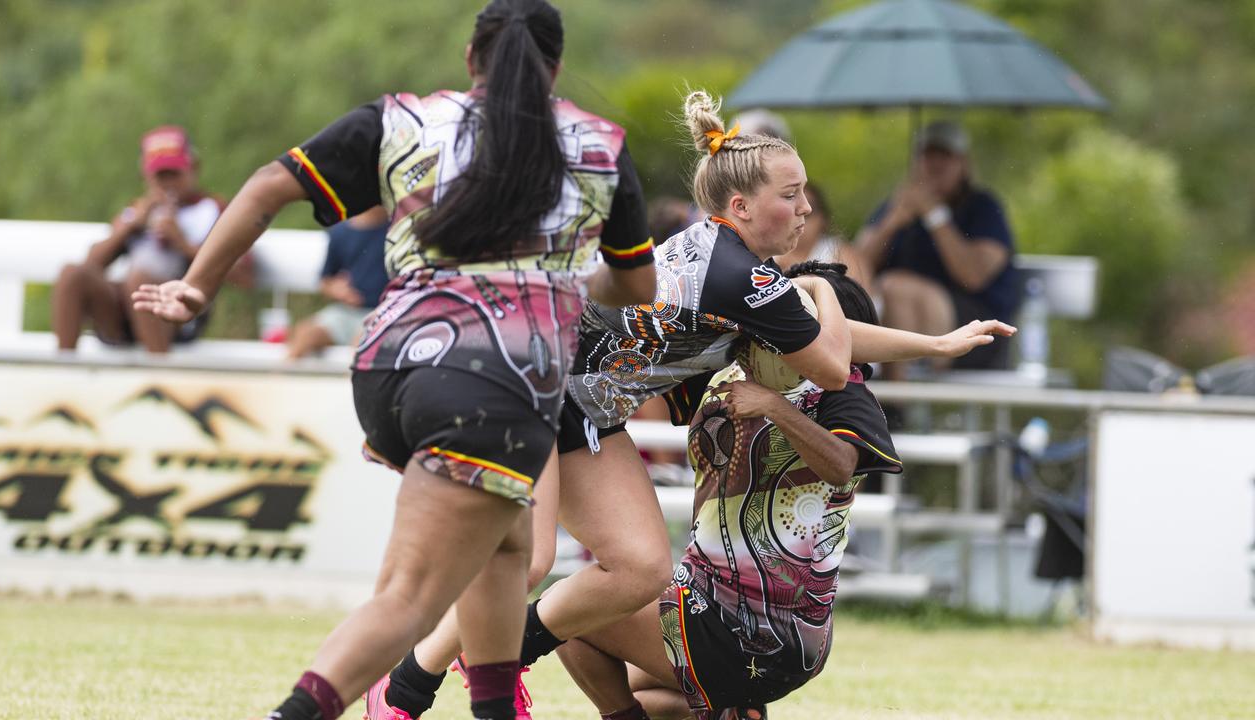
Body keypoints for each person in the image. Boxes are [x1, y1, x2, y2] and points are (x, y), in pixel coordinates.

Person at [379, 90, 1010, 716]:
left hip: (577, 406)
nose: (806, 208)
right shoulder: (741, 279)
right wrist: (822, 281)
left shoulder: (736, 265)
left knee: (636, 569)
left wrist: (935, 342)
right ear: (741, 205)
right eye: (789, 195)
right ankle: (410, 688)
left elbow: (823, 336)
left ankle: (485, 665)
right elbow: (830, 360)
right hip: (532, 385)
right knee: (538, 559)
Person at [132, 3, 657, 719]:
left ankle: (494, 708)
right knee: (409, 597)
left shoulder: (403, 120)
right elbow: (636, 287)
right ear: (557, 68)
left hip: (390, 367)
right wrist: (563, 279)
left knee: (508, 548)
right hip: (494, 384)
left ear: (472, 56)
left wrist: (196, 287)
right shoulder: (597, 144)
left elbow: (264, 186)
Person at [554, 262, 902, 720]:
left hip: (766, 626)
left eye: (790, 316)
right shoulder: (732, 374)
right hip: (701, 601)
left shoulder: (843, 393)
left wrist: (776, 408)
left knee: (570, 618)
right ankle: (731, 714)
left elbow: (841, 467)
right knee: (649, 694)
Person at [854, 120, 1020, 378]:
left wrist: (935, 215)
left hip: (977, 329)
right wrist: (893, 221)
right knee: (886, 292)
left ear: (964, 163)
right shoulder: (898, 205)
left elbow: (974, 276)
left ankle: (896, 403)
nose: (936, 164)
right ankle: (895, 395)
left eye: (946, 155)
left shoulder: (983, 208)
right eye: (928, 154)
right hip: (907, 325)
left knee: (896, 288)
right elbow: (854, 270)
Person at [52, 125, 225, 353]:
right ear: (146, 177)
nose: (167, 183)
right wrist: (128, 229)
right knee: (72, 274)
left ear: (193, 169)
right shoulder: (136, 211)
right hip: (125, 314)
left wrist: (181, 242)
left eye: (174, 173)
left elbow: (237, 271)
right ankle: (64, 367)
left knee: (141, 279)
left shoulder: (210, 209)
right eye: (160, 176)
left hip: (182, 314)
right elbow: (92, 263)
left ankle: (157, 375)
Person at [285, 205, 390, 360]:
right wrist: (338, 290)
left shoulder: (396, 232)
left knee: (365, 341)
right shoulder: (340, 232)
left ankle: (353, 384)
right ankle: (279, 378)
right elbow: (325, 280)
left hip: (381, 312)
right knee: (305, 334)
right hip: (344, 313)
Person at [774, 181, 872, 295]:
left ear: (823, 219)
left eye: (808, 213)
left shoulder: (839, 252)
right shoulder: (767, 253)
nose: (800, 219)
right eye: (790, 211)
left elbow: (859, 299)